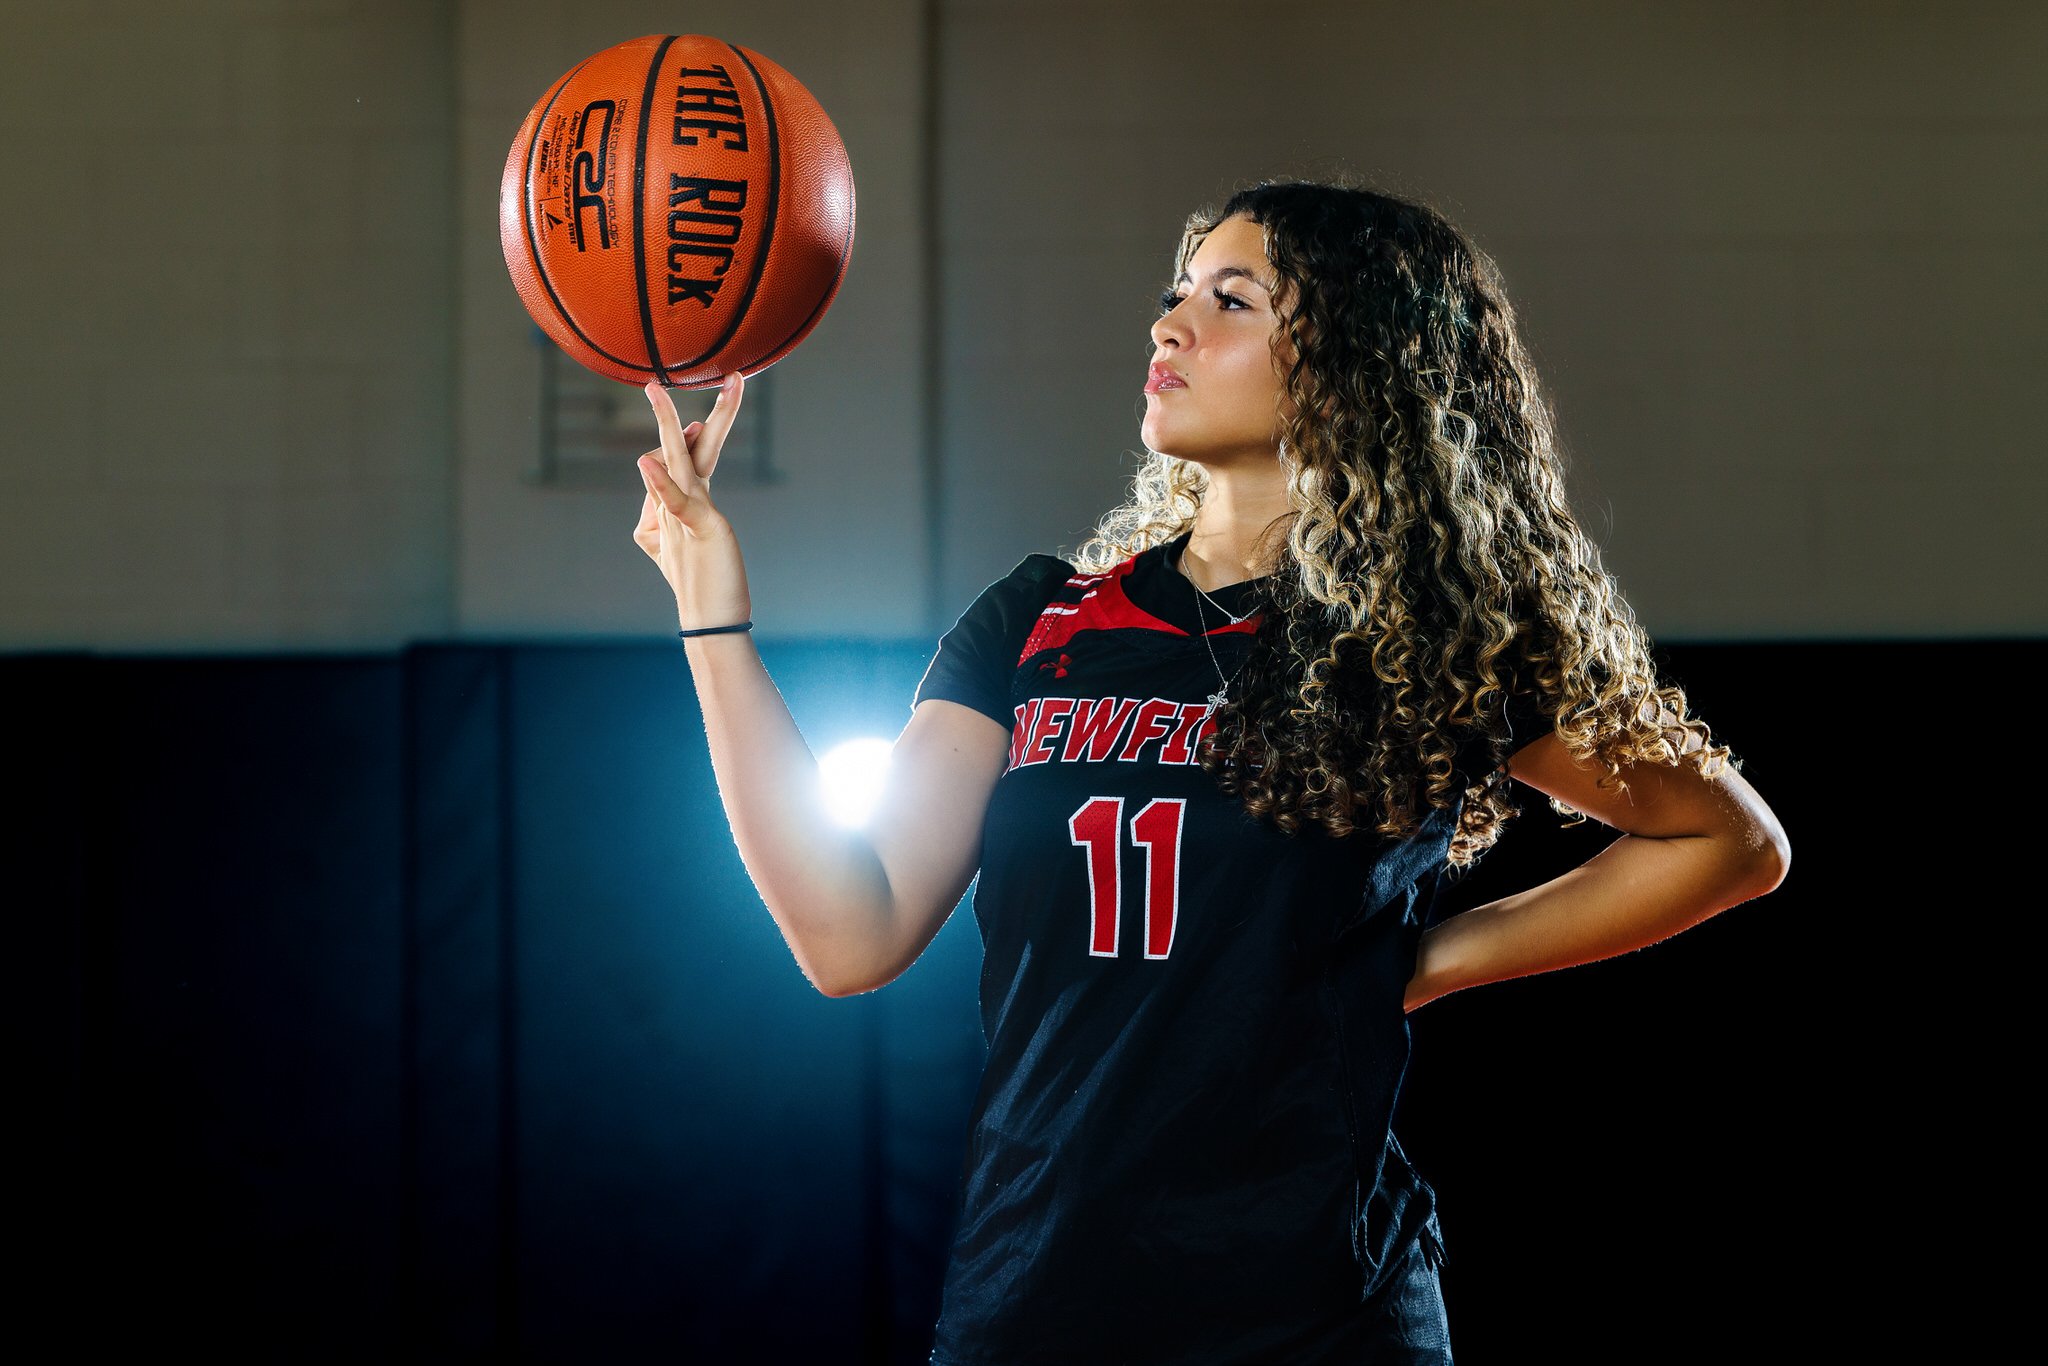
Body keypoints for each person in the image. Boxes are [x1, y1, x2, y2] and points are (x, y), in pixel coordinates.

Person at [632, 177, 1790, 1365]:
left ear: (1352, 356)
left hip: (1320, 1319)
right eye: (1175, 294)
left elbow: (1732, 843)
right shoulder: (1038, 619)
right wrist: (711, 618)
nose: (1168, 325)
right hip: (1034, 1302)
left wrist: (1428, 961)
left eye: (1229, 299)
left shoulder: (1422, 634)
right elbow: (848, 934)